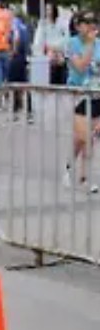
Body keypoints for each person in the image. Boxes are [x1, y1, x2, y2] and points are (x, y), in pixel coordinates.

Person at [63, 10, 100, 194]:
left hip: (96, 94)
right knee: (86, 138)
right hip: (78, 94)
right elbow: (80, 67)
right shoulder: (72, 44)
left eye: (94, 22)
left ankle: (70, 168)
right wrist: (91, 44)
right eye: (87, 22)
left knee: (83, 140)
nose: (92, 26)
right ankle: (84, 178)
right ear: (78, 26)